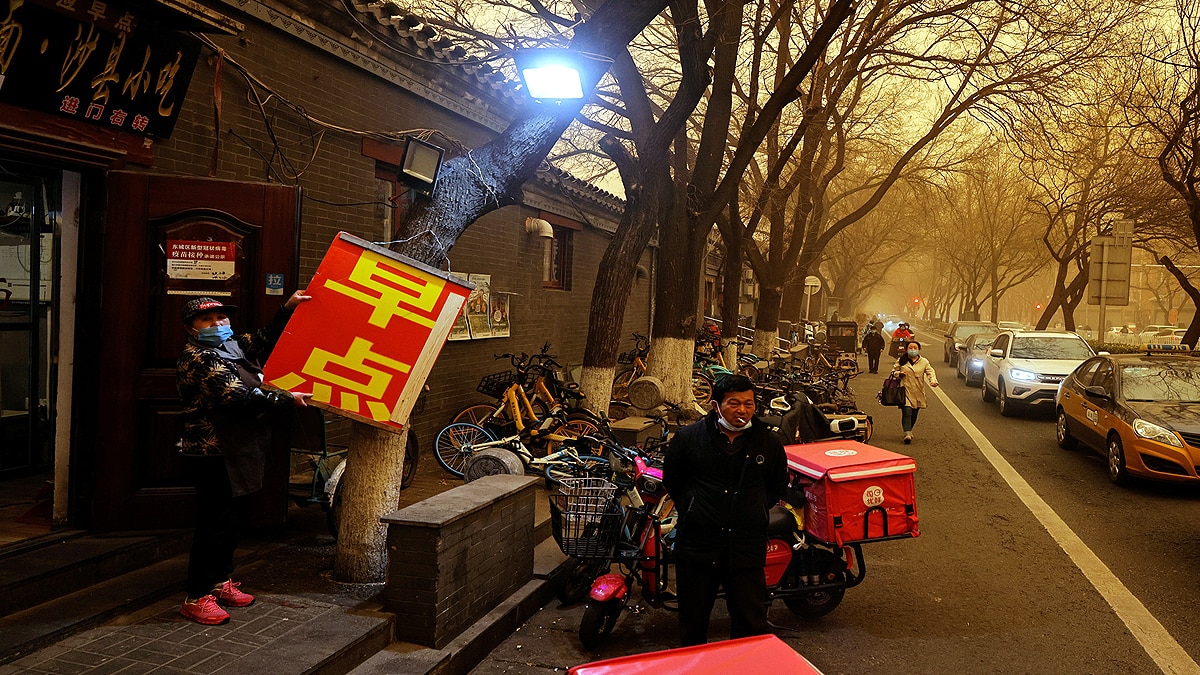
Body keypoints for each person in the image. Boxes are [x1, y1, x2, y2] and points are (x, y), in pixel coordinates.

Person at [176, 292, 312, 625]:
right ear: (191, 328)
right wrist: (286, 398)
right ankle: (196, 596)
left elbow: (263, 339)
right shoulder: (199, 357)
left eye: (221, 318)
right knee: (214, 524)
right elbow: (239, 396)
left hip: (236, 449)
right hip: (211, 452)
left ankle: (221, 582)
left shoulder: (230, 345)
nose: (217, 324)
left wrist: (287, 308)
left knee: (233, 519)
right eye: (206, 320)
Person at [663, 375, 788, 646]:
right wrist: (697, 508)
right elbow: (673, 481)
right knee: (693, 625)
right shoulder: (688, 438)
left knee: (749, 625)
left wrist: (751, 509)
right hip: (698, 546)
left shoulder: (769, 442)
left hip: (745, 548)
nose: (742, 410)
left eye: (749, 404)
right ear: (716, 406)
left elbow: (776, 485)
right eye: (734, 403)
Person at [891, 340, 938, 444]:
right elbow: (893, 372)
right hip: (905, 389)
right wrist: (899, 374)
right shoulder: (901, 360)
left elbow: (930, 372)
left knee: (914, 412)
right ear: (906, 349)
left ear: (919, 349)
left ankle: (910, 429)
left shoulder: (924, 361)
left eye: (915, 348)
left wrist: (933, 381)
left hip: (918, 390)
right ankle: (907, 433)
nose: (913, 350)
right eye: (910, 348)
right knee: (907, 411)